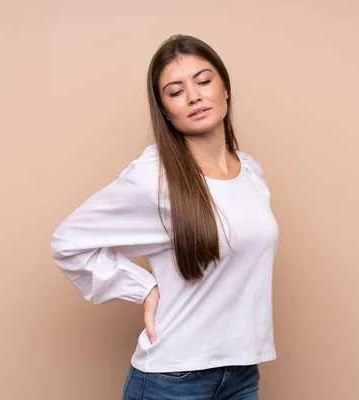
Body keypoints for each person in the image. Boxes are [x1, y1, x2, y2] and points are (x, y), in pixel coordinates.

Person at [50, 34, 279, 400]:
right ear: (165, 110)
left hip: (241, 375)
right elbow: (68, 243)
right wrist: (143, 289)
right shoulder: (154, 178)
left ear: (225, 89)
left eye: (204, 82)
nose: (194, 96)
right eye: (176, 91)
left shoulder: (251, 171)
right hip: (174, 379)